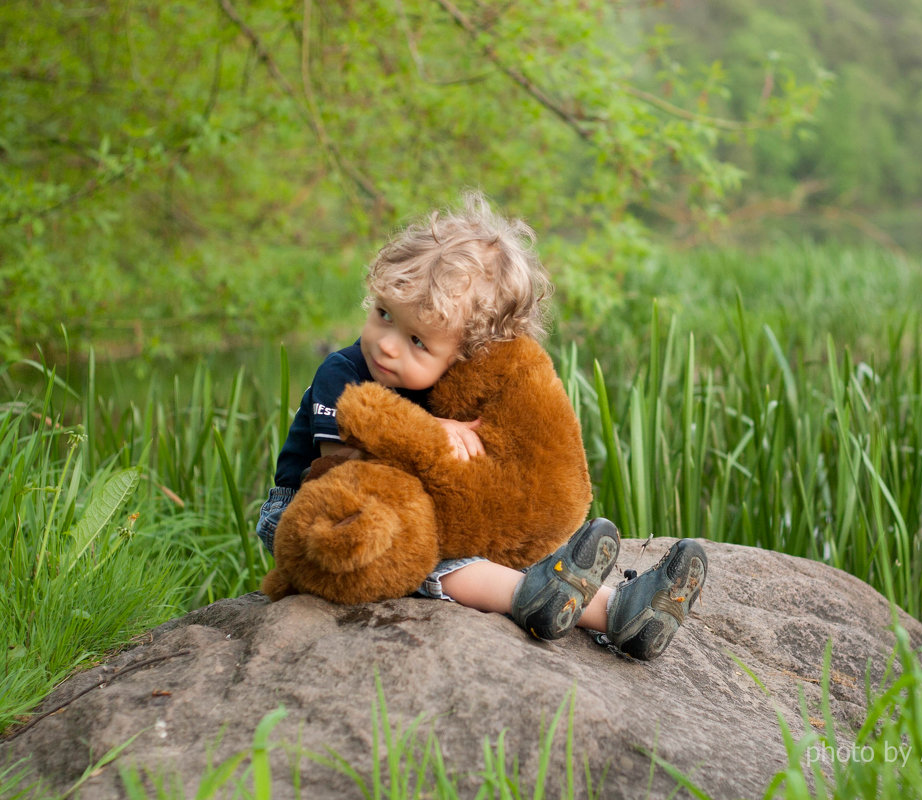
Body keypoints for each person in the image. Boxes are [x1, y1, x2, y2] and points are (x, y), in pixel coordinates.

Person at [254, 191, 706, 660]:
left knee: (496, 536)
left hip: (415, 510)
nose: (387, 346)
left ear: (465, 354)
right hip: (320, 519)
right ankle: (563, 604)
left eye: (417, 340)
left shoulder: (455, 387)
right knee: (431, 551)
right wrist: (433, 435)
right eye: (383, 314)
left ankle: (617, 606)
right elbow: (345, 474)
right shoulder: (342, 373)